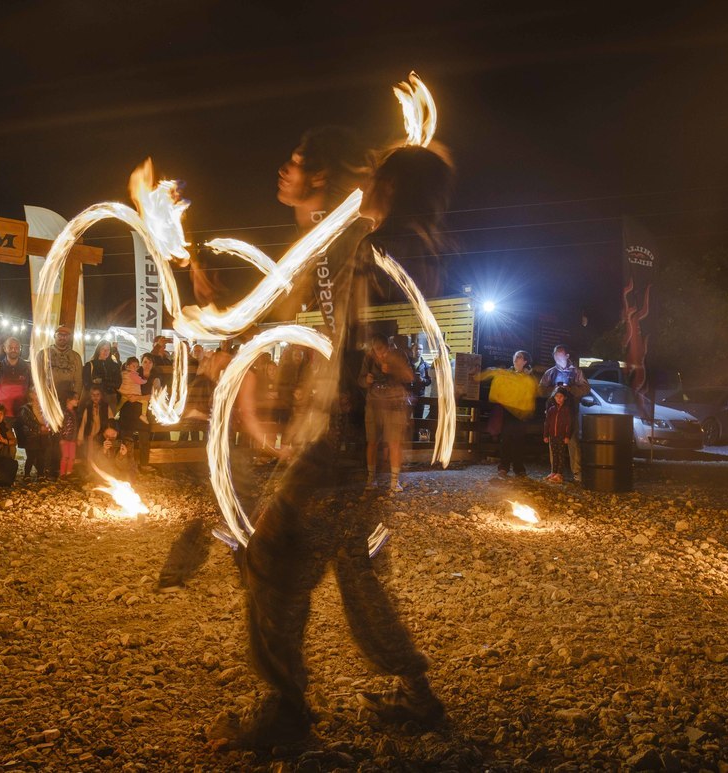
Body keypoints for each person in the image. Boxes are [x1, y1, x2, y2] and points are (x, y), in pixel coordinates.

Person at [220, 125, 452, 746]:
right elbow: (348, 316)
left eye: (375, 172)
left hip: (340, 442)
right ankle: (419, 696)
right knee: (356, 569)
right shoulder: (391, 243)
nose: (364, 180)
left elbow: (374, 336)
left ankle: (286, 713)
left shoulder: (385, 245)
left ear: (392, 185)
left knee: (269, 559)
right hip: (356, 443)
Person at [358, 333, 414, 492]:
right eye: (375, 350)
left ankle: (394, 482)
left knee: (394, 443)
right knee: (372, 442)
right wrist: (365, 381)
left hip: (394, 405)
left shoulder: (398, 356)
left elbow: (410, 377)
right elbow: (360, 380)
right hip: (374, 404)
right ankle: (371, 479)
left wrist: (393, 370)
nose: (379, 353)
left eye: (381, 349)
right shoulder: (369, 359)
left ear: (388, 347)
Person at [538, 344, 589, 482]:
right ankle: (554, 471)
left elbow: (585, 388)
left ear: (567, 356)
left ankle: (577, 472)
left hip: (570, 412)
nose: (557, 357)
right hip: (553, 414)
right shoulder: (550, 373)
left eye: (560, 354)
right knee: (553, 442)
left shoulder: (576, 372)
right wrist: (555, 390)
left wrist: (570, 389)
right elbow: (541, 390)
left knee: (572, 441)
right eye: (555, 354)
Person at [492, 350, 534, 479]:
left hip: (521, 412)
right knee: (506, 440)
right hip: (508, 411)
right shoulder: (507, 373)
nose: (516, 359)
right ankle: (504, 467)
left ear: (525, 361)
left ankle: (518, 468)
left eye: (519, 357)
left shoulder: (528, 377)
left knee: (519, 441)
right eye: (515, 357)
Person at [16, 385, 58, 480]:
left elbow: (49, 419)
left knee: (41, 456)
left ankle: (40, 474)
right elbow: (26, 421)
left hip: (43, 436)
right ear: (31, 395)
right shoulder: (26, 409)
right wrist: (39, 428)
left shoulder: (44, 408)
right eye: (36, 393)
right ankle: (27, 474)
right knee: (31, 456)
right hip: (32, 436)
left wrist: (48, 427)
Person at [35, 325, 83, 408]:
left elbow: (78, 380)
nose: (63, 338)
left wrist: (74, 398)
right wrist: (40, 396)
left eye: (66, 335)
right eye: (60, 335)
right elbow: (38, 377)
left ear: (69, 338)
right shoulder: (43, 354)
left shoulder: (76, 357)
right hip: (48, 398)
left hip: (67, 400)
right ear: (54, 335)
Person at [0, 337, 31, 419]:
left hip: (23, 414)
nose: (14, 350)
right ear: (4, 348)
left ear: (20, 349)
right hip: (2, 415)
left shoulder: (28, 367)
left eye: (17, 347)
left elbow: (32, 390)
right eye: (10, 347)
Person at [543, 386, 573, 483]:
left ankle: (560, 474)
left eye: (561, 396)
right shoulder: (551, 409)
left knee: (560, 455)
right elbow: (547, 423)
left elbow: (569, 424)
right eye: (556, 396)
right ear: (554, 398)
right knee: (554, 454)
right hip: (553, 436)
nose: (559, 398)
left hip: (561, 436)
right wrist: (546, 435)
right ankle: (553, 472)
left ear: (565, 397)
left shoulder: (567, 410)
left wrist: (567, 436)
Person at [77, 384, 112, 463]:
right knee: (90, 453)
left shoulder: (106, 407)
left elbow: (111, 420)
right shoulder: (88, 408)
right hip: (91, 435)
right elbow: (84, 422)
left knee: (100, 452)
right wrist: (80, 437)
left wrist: (110, 433)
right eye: (93, 395)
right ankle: (90, 470)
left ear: (101, 395)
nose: (95, 397)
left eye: (97, 395)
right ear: (90, 396)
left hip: (101, 435)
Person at [83, 341, 122, 406]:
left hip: (110, 399)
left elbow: (118, 383)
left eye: (108, 349)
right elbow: (86, 384)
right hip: (94, 400)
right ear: (98, 350)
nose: (105, 351)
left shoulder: (115, 366)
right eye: (103, 349)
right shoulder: (89, 365)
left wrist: (102, 381)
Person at [57, 391, 80, 478]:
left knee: (72, 457)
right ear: (68, 400)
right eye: (75, 399)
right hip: (65, 439)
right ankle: (62, 473)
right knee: (65, 456)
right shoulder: (64, 412)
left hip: (72, 439)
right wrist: (61, 438)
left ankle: (69, 472)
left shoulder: (74, 412)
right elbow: (60, 426)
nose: (77, 401)